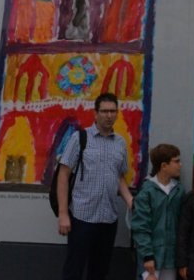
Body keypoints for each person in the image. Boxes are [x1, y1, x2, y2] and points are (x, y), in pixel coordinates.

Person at [57, 92, 134, 280]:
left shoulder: (120, 143)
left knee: (99, 272)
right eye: (105, 111)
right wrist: (63, 214)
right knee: (73, 270)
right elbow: (63, 175)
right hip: (82, 217)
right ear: (95, 113)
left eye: (113, 111)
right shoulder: (80, 138)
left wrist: (130, 200)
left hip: (108, 219)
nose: (109, 115)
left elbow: (120, 177)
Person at [133, 144, 186, 280]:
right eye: (176, 161)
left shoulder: (179, 190)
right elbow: (140, 226)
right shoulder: (147, 191)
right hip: (151, 259)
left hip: (171, 259)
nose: (180, 165)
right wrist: (147, 256)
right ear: (164, 166)